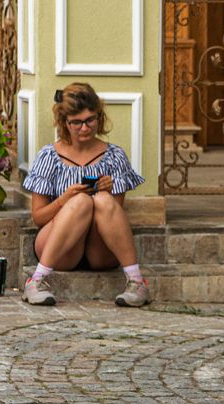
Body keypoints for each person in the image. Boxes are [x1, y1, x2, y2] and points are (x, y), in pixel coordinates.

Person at [21, 83, 150, 307]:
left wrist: (109, 191)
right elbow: (38, 218)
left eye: (91, 120)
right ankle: (37, 281)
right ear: (64, 123)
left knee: (101, 200)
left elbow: (115, 214)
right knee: (79, 201)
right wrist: (64, 199)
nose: (84, 128)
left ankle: (137, 283)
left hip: (99, 249)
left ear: (99, 118)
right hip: (60, 248)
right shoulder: (48, 156)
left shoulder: (114, 156)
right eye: (76, 122)